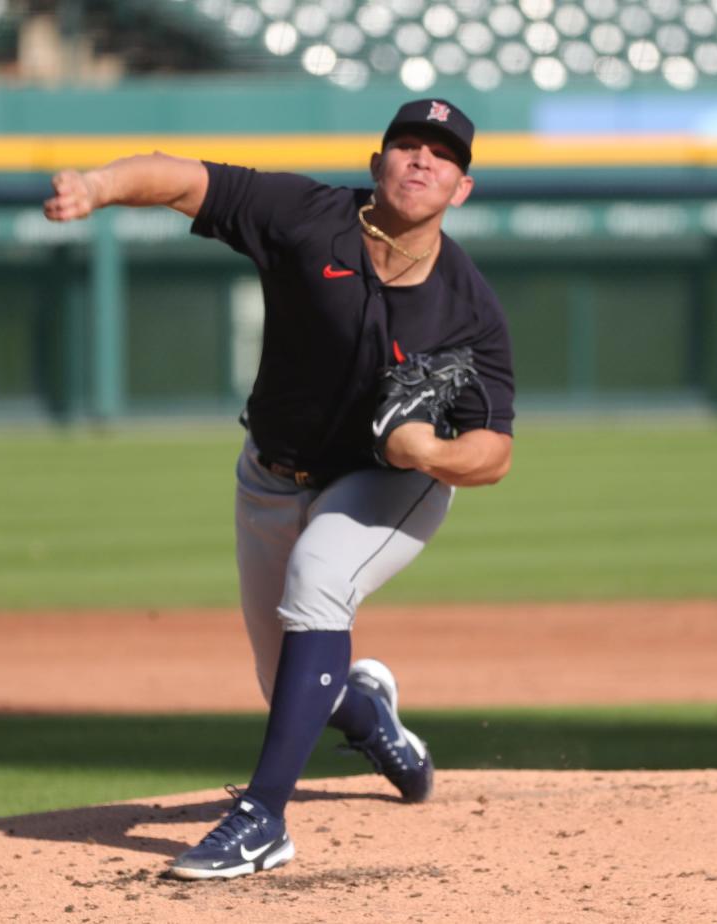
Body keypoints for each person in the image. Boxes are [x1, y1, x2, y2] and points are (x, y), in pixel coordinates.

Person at [44, 98, 515, 879]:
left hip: (389, 484)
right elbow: (179, 178)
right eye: (407, 145)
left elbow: (494, 451)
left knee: (318, 584)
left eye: (443, 155)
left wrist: (428, 447)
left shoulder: (469, 306)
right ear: (378, 165)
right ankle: (374, 720)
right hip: (270, 473)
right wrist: (98, 186)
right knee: (294, 683)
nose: (422, 160)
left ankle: (262, 818)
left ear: (460, 189)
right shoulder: (306, 216)